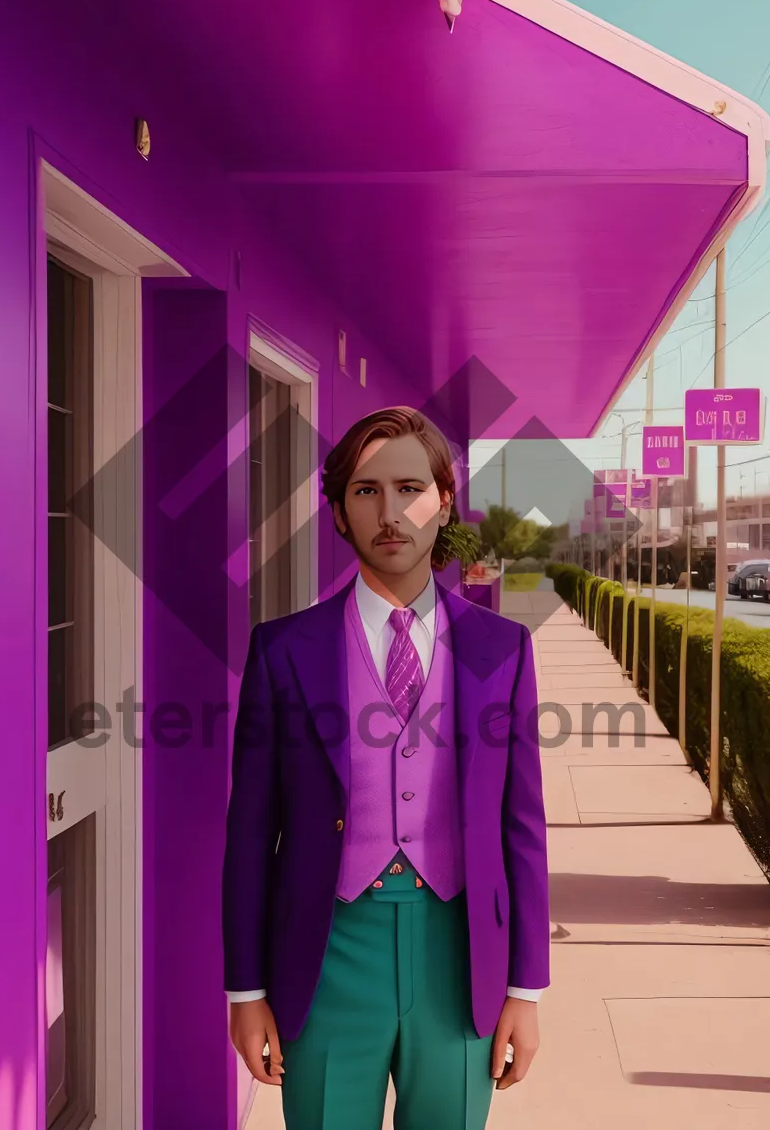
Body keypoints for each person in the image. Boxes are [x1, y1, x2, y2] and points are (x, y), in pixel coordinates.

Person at [222, 406, 549, 1129]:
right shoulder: (283, 650)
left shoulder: (505, 649)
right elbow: (249, 832)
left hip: (461, 954)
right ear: (339, 512)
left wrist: (526, 988)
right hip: (326, 948)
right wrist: (245, 993)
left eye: (410, 488)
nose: (390, 511)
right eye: (367, 491)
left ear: (443, 503)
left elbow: (522, 827)